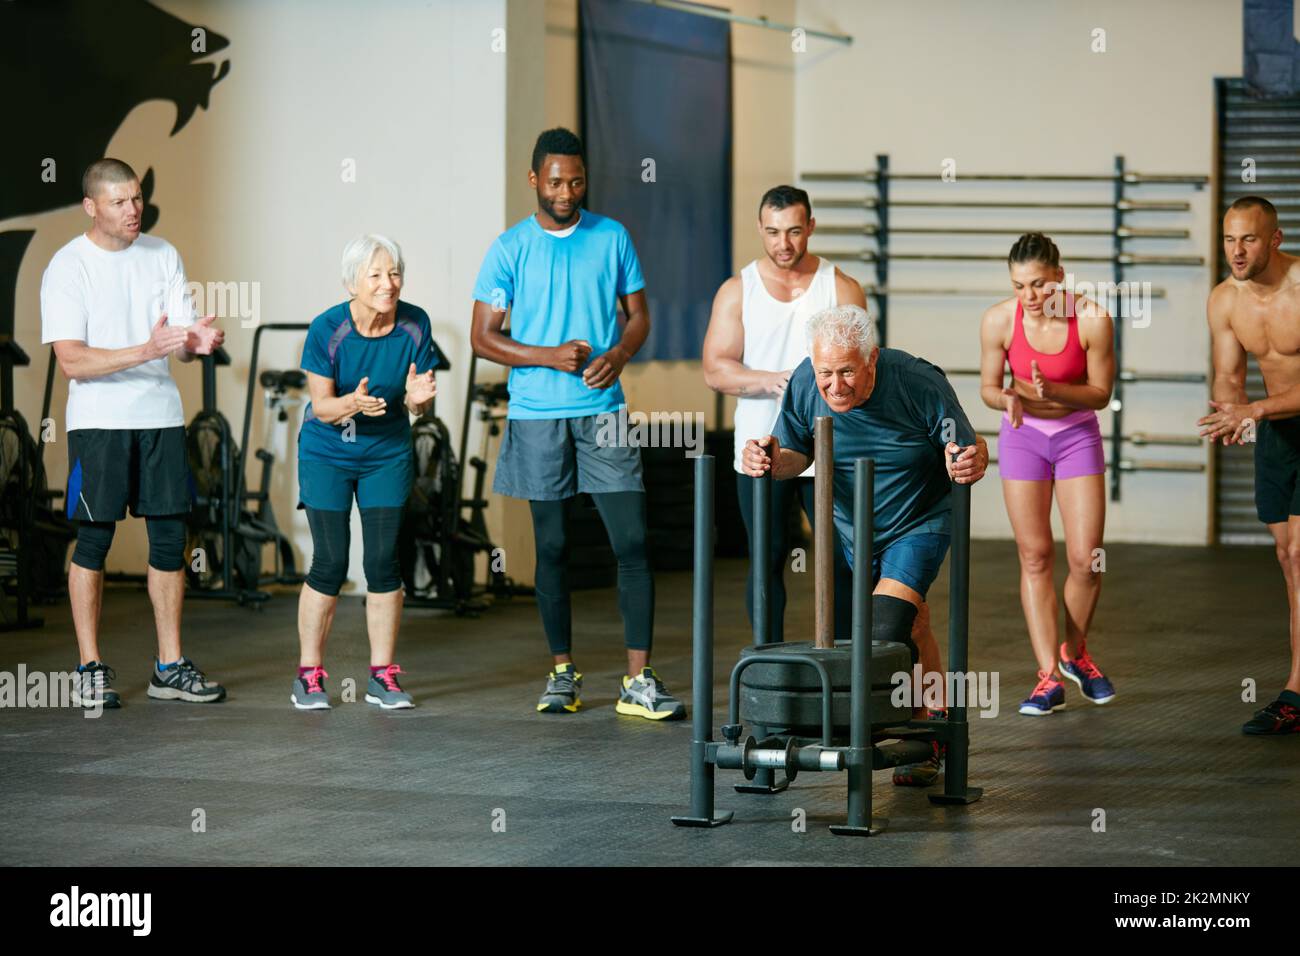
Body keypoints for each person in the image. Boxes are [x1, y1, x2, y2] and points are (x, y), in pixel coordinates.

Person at [470, 127, 682, 721]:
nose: (567, 191)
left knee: (633, 541)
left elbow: (637, 316)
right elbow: (481, 338)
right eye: (556, 180)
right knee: (555, 547)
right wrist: (547, 355)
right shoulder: (509, 248)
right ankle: (562, 673)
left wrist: (617, 355)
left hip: (605, 410)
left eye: (577, 180)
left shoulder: (611, 236)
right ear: (535, 179)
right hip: (537, 414)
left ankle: (638, 681)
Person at [743, 304, 988, 785]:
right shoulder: (805, 383)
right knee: (913, 625)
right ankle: (933, 722)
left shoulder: (917, 381)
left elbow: (964, 445)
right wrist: (769, 458)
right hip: (850, 526)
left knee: (886, 627)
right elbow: (796, 453)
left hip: (918, 519)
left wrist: (969, 460)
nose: (835, 386)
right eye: (826, 373)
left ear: (872, 358)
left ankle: (901, 733)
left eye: (848, 371)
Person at [41, 158, 227, 708]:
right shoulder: (67, 266)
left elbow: (178, 340)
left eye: (137, 198)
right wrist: (148, 350)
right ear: (91, 207)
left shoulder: (162, 254)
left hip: (160, 419)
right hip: (99, 425)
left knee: (171, 540)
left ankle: (169, 666)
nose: (133, 209)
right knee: (95, 540)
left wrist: (197, 344)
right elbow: (73, 361)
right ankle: (89, 668)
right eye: (120, 201)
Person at [702, 184, 861, 644]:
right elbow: (715, 370)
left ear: (810, 226)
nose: (783, 244)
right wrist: (774, 381)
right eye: (773, 232)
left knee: (841, 557)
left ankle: (847, 664)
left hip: (831, 446)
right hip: (761, 447)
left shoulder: (841, 287)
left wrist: (818, 389)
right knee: (768, 556)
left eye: (794, 231)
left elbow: (865, 367)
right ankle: (767, 666)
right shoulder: (738, 290)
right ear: (760, 228)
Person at [290, 234, 438, 711]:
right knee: (330, 563)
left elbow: (420, 399)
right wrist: (351, 403)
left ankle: (382, 677)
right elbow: (322, 406)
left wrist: (419, 402)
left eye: (393, 273)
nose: (387, 284)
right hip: (328, 450)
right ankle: (309, 675)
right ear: (352, 281)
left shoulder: (415, 324)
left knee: (382, 563)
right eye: (375, 275)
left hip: (386, 452)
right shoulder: (326, 328)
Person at [977, 233, 1117, 717]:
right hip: (1023, 438)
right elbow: (988, 388)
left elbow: (1100, 394)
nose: (1030, 297)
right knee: (1035, 556)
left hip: (1077, 434)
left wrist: (1054, 388)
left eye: (1038, 284)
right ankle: (1046, 677)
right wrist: (1008, 398)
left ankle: (1076, 654)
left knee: (1086, 558)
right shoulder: (998, 320)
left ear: (1059, 275)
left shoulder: (1093, 319)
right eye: (1019, 286)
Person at [1200, 195, 1300, 735]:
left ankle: (1295, 694)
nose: (1237, 252)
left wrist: (1254, 408)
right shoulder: (1224, 300)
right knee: (1288, 556)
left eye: (1250, 240)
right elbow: (1229, 374)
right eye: (1229, 239)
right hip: (1279, 434)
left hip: (1281, 415)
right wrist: (1229, 410)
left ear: (1276, 240)